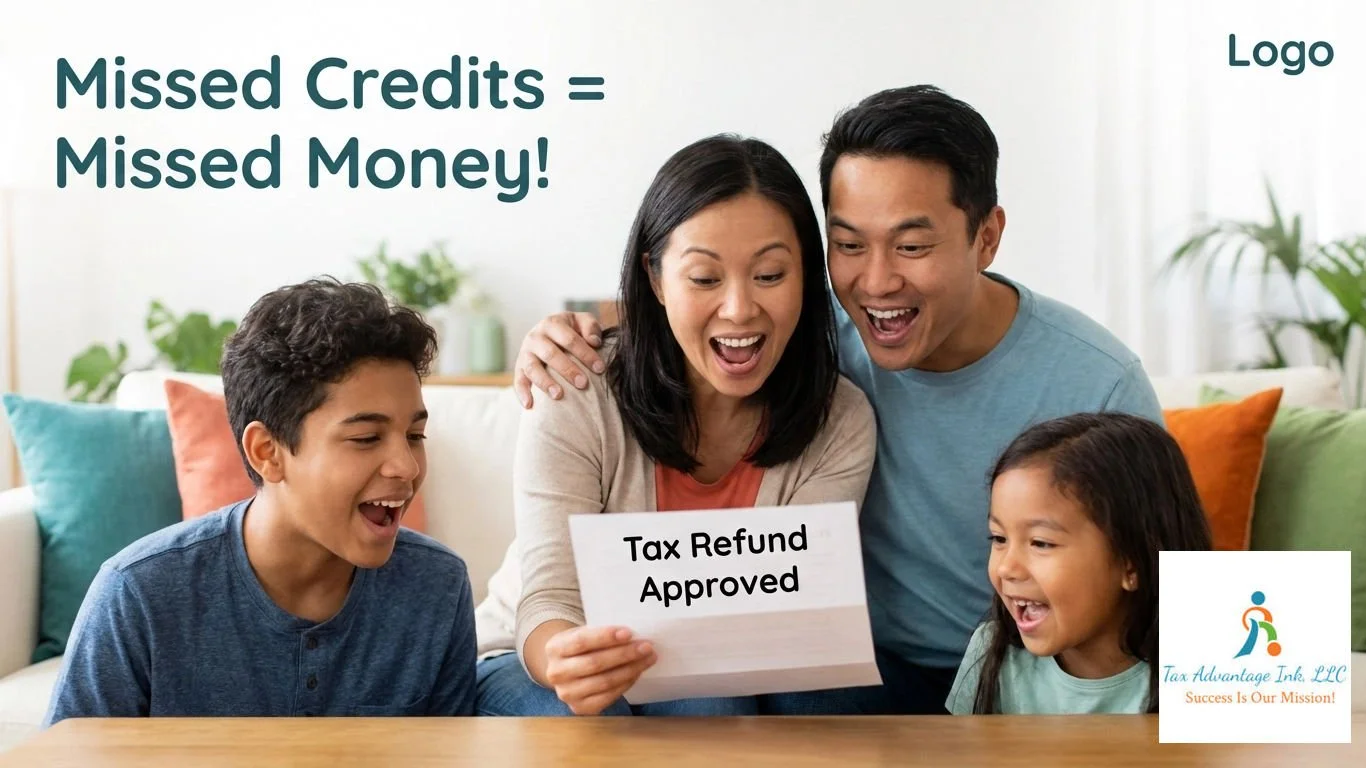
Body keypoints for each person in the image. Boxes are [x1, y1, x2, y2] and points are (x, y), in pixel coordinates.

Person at [507, 85, 1163, 714]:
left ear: (986, 237)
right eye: (848, 245)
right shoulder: (799, 340)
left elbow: (1167, 590)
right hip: (863, 671)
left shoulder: (1098, 382)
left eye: (911, 245)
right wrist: (561, 338)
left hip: (1031, 674)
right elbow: (699, 311)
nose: (876, 282)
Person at [472, 134, 877, 717]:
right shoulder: (577, 389)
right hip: (529, 657)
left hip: (709, 669)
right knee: (594, 720)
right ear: (657, 280)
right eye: (705, 279)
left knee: (715, 705)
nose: (739, 309)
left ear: (807, 277)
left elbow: (790, 616)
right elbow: (551, 595)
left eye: (769, 275)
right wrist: (567, 657)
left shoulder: (839, 419)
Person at [43, 279, 478, 724]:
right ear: (267, 453)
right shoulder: (138, 594)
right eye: (366, 438)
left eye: (415, 436)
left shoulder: (437, 587)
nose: (406, 466)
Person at [946, 412, 1212, 714]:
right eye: (998, 538)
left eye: (1040, 543)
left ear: (1132, 564)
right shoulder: (992, 651)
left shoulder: (1215, 658)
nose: (1007, 567)